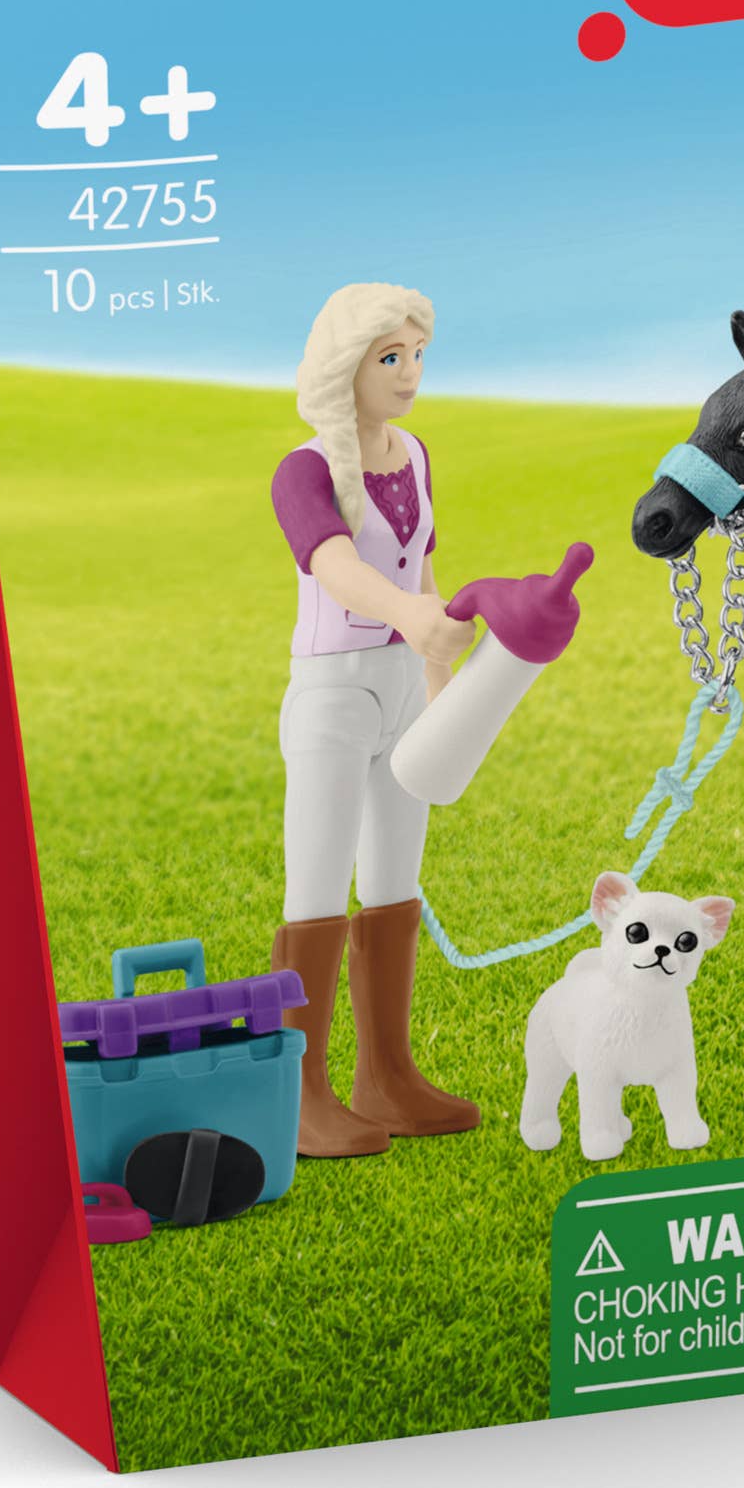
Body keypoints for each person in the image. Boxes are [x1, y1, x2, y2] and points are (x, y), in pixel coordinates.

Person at [268, 283, 481, 1155]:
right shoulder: (305, 469)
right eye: (391, 357)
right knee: (317, 886)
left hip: (401, 687)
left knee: (395, 880)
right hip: (333, 693)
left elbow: (421, 567)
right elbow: (332, 564)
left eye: (418, 354)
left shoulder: (416, 454)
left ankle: (386, 1075)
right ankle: (299, 1090)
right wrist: (409, 615)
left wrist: (441, 683)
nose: (410, 373)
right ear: (344, 363)